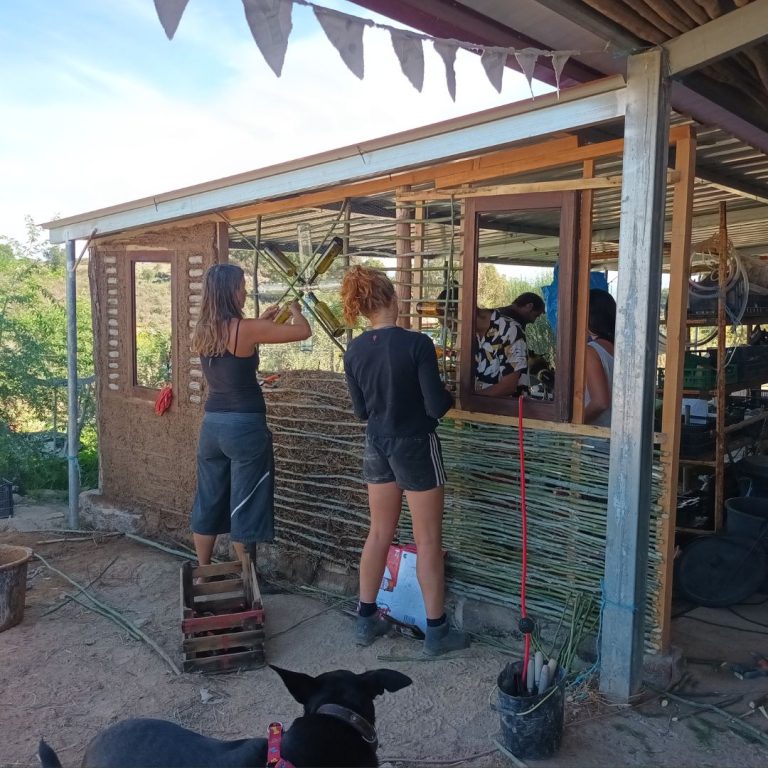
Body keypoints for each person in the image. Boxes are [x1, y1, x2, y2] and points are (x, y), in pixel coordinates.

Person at [341, 265, 469, 656]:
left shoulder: (354, 350)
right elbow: (436, 405)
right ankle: (437, 632)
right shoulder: (417, 344)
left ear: (363, 307)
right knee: (427, 539)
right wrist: (450, 394)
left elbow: (360, 411)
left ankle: (365, 620)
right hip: (414, 444)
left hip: (376, 443)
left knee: (379, 532)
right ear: (393, 298)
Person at [190, 263, 311, 578]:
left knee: (208, 498)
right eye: (241, 287)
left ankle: (204, 572)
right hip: (244, 426)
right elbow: (303, 332)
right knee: (245, 501)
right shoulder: (246, 328)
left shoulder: (202, 329)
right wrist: (296, 311)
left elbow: (239, 346)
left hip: (212, 426)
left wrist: (262, 323)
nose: (244, 292)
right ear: (231, 291)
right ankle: (247, 578)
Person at [475, 292, 545, 396]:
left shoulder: (503, 319)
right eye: (535, 316)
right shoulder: (510, 324)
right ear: (529, 306)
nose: (533, 321)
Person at [584, 288, 616, 426]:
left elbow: (600, 402)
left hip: (595, 434)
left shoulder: (592, 351)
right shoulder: (622, 350)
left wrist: (576, 422)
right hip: (617, 429)